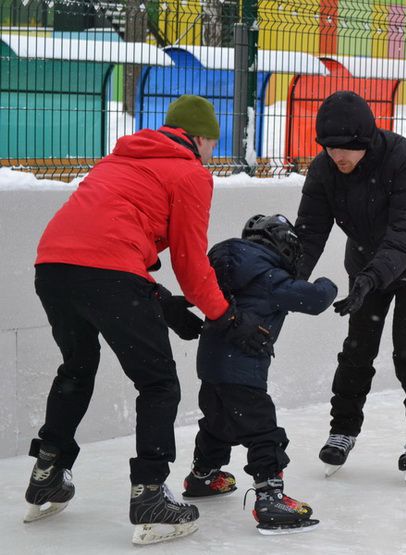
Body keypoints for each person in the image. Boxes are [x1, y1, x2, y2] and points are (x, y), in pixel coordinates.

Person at [24, 94, 273, 545]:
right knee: (158, 383)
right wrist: (226, 316)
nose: (211, 154)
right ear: (198, 138)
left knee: (76, 369)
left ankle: (48, 470)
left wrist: (161, 301)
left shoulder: (117, 162)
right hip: (110, 274)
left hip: (53, 268)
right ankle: (151, 494)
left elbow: (103, 245)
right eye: (212, 144)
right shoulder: (190, 173)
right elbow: (190, 263)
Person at [294, 90, 406, 483]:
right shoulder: (325, 170)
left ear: (365, 140)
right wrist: (286, 282)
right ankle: (343, 429)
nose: (337, 156)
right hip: (366, 261)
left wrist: (371, 278)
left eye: (346, 148)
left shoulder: (402, 159)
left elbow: (404, 232)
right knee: (358, 347)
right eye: (329, 148)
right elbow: (310, 233)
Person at [179, 214, 337, 534]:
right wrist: (327, 284)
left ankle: (203, 476)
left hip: (210, 368)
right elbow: (316, 299)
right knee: (262, 431)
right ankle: (269, 497)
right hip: (243, 369)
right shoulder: (267, 276)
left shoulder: (225, 271)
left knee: (217, 424)